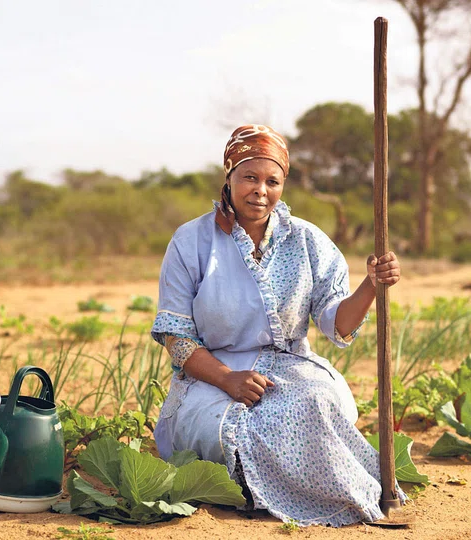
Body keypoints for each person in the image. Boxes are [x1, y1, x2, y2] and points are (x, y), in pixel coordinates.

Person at [151, 124, 404, 527]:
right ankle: (263, 494)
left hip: (293, 366)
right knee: (236, 427)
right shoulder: (191, 241)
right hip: (210, 377)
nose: (260, 190)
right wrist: (229, 379)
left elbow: (336, 323)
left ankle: (342, 497)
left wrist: (371, 286)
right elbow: (177, 337)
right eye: (249, 177)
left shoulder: (307, 240)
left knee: (315, 403)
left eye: (273, 181)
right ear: (229, 175)